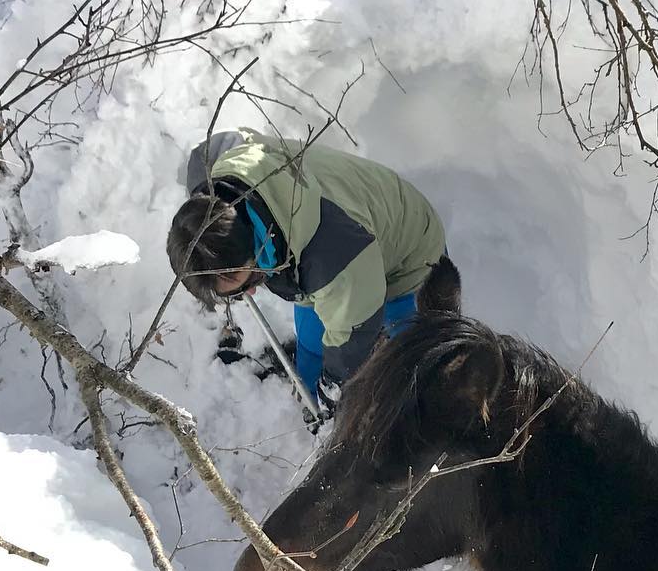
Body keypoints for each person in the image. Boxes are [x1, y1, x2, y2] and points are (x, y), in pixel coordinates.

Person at [166, 128, 459, 400]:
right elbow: (214, 147)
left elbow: (353, 333)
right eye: (236, 293)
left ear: (253, 247)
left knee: (412, 362)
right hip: (324, 245)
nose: (251, 293)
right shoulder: (226, 190)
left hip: (410, 258)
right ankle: (307, 397)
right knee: (311, 345)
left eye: (249, 281)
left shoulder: (331, 258)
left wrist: (334, 389)